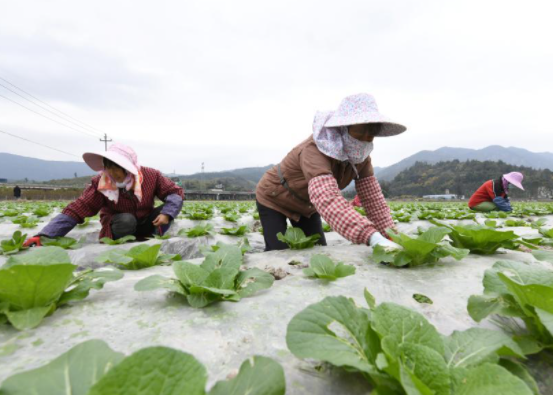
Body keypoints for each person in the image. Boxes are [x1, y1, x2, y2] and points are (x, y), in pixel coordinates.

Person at [255, 93, 405, 251]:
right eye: (360, 134)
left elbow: (373, 199)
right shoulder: (314, 150)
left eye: (370, 136)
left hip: (308, 206)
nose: (364, 141)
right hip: (274, 197)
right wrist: (371, 236)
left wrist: (390, 235)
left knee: (318, 250)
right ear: (343, 128)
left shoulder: (361, 157)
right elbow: (326, 196)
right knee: (278, 251)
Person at [23, 143, 184, 246]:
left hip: (146, 222)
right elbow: (79, 208)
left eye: (116, 167)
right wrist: (45, 235)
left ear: (128, 167)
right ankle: (121, 244)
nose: (112, 173)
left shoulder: (151, 176)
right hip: (120, 225)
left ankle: (154, 240)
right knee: (127, 219)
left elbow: (175, 192)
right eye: (108, 167)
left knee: (166, 210)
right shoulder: (101, 182)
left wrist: (167, 214)